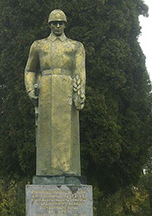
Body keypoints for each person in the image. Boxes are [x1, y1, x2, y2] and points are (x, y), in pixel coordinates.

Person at [25, 9, 86, 177]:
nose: (57, 26)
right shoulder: (39, 45)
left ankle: (69, 171)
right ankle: (45, 171)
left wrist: (79, 94)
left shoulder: (75, 46)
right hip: (45, 90)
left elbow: (80, 72)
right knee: (45, 133)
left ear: (65, 24)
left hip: (67, 89)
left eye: (60, 23)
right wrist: (31, 89)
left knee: (68, 133)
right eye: (54, 23)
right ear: (49, 24)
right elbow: (30, 70)